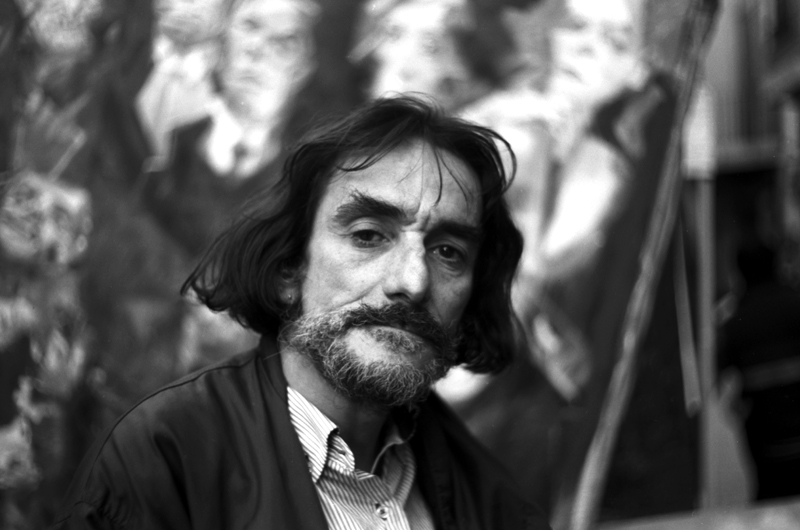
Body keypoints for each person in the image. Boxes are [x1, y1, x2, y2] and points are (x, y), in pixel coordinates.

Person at [51, 96, 550, 529]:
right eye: (368, 235)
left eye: (447, 252)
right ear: (289, 269)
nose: (413, 282)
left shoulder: (493, 502)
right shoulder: (166, 459)